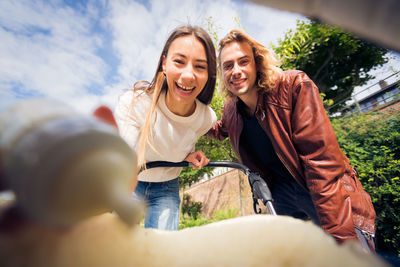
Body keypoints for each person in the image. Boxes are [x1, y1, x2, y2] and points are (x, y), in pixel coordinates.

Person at [207, 29, 376, 251]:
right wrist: (185, 113)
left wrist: (343, 243)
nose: (236, 71)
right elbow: (218, 129)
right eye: (228, 66)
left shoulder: (293, 86)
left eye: (243, 61)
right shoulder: (231, 110)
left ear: (256, 63)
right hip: (280, 193)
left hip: (316, 187)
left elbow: (322, 166)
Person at [114, 25, 217, 231]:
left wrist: (188, 154)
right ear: (164, 64)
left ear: (209, 74)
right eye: (179, 61)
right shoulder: (136, 103)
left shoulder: (207, 118)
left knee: (162, 250)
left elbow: (178, 138)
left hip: (167, 187)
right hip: (132, 184)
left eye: (200, 66)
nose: (188, 75)